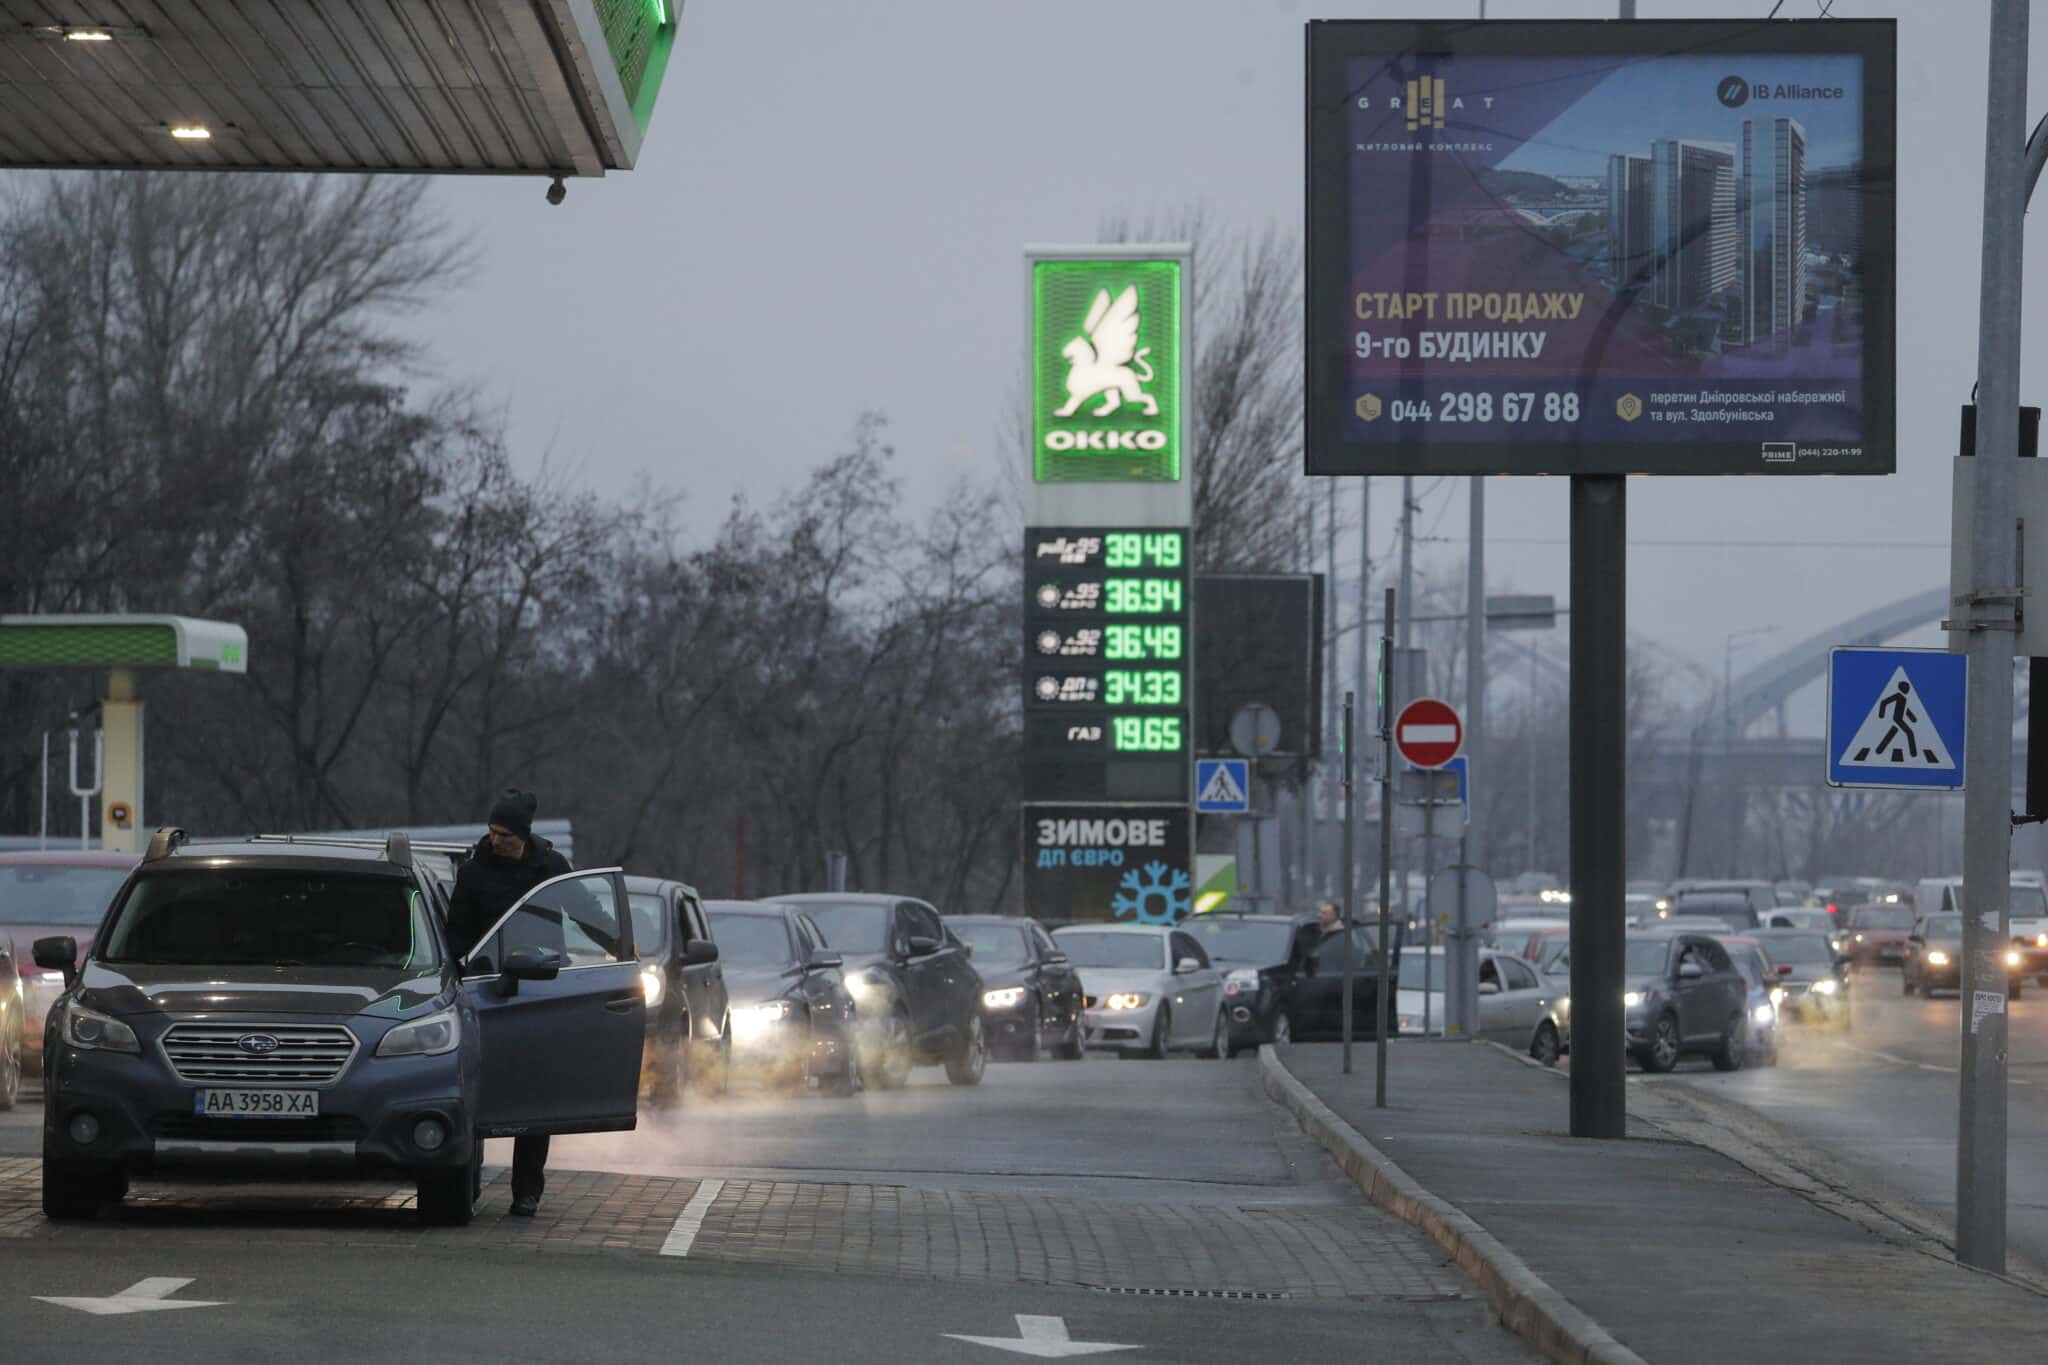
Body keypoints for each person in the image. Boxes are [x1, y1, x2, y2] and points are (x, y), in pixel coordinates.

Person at [446, 789, 572, 1217]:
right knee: (478, 1091)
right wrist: (463, 977)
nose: (495, 840)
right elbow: (455, 934)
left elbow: (583, 909)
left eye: (503, 834)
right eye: (491, 831)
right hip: (486, 990)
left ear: (523, 834)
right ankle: (468, 1179)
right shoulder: (474, 874)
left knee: (534, 1094)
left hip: (541, 988)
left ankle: (527, 1190)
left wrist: (618, 946)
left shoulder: (552, 869)